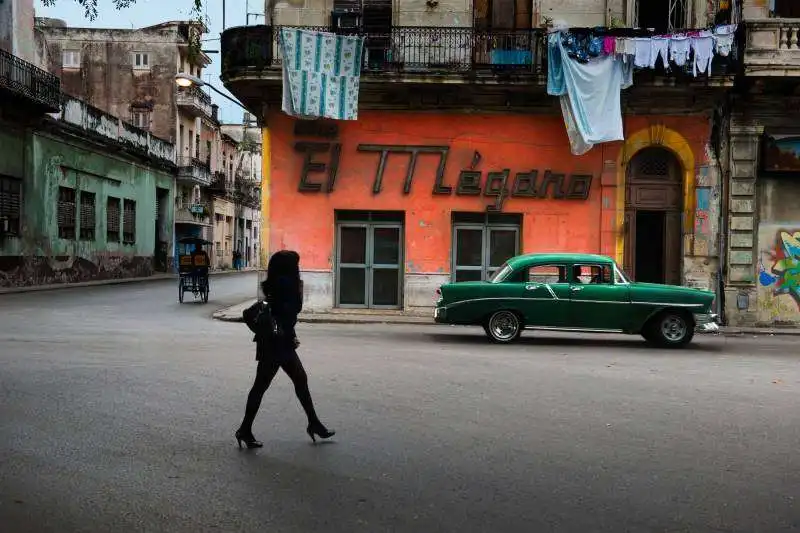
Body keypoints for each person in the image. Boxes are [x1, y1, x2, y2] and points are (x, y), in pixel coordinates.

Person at [235, 250, 334, 448]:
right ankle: (245, 429)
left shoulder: (277, 284)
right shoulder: (286, 285)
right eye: (296, 264)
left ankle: (313, 423)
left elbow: (281, 316)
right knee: (267, 385)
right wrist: (299, 290)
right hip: (276, 344)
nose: (299, 268)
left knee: (293, 381)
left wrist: (292, 335)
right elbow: (288, 313)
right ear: (289, 268)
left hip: (277, 341)